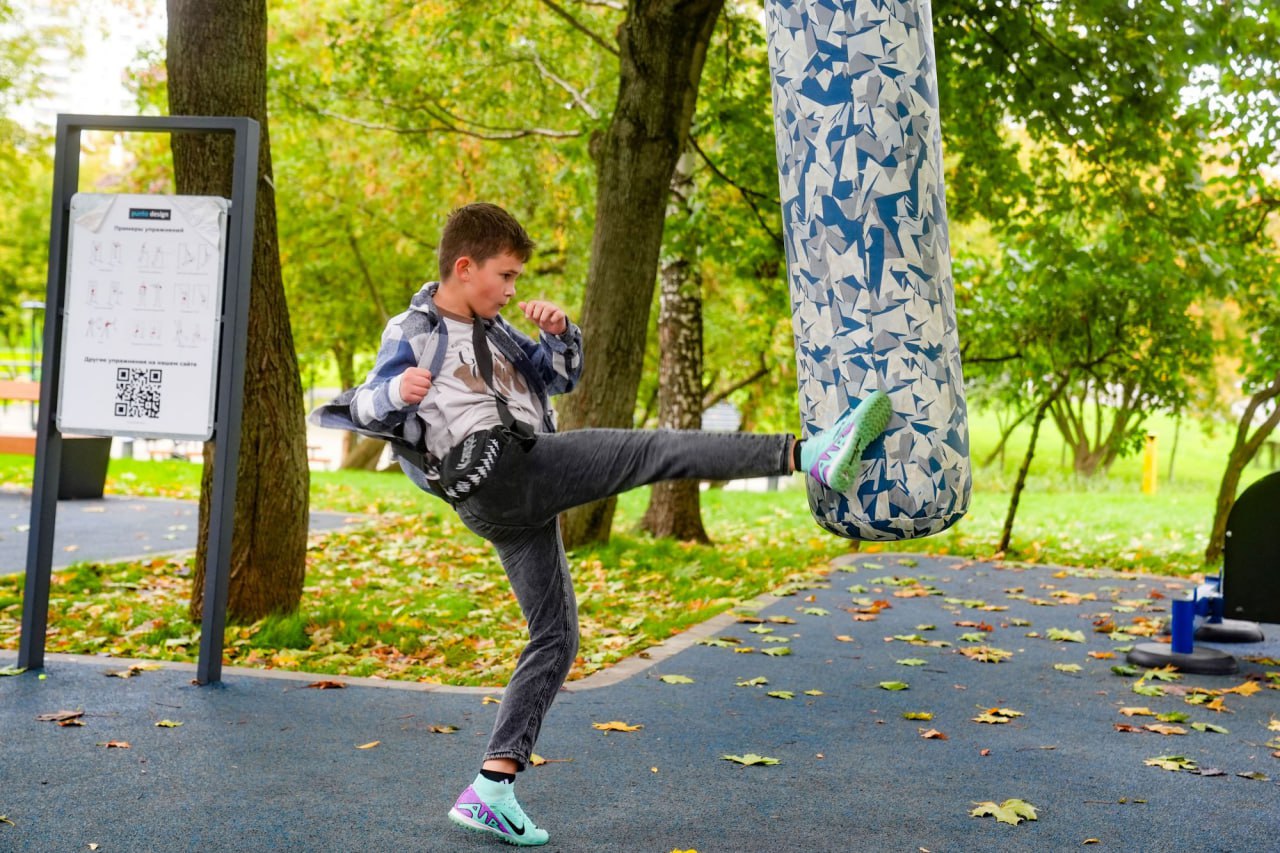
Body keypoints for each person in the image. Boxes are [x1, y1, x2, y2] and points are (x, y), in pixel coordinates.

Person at [311, 202, 892, 847]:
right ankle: (809, 456)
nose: (511, 290)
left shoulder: (498, 329)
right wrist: (398, 394)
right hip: (499, 468)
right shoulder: (415, 329)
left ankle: (491, 787)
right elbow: (356, 405)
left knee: (556, 635)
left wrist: (559, 336)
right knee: (649, 451)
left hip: (508, 501)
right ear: (464, 266)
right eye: (504, 276)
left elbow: (558, 380)